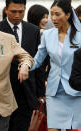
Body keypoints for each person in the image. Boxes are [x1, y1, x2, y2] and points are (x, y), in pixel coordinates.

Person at [30, 0, 81, 130]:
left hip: (77, 92)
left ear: (68, 15)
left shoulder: (80, 36)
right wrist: (25, 65)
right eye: (51, 14)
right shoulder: (47, 35)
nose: (53, 18)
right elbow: (38, 59)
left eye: (57, 14)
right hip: (54, 92)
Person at [0, 0, 46, 131]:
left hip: (28, 90)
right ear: (6, 9)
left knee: (24, 127)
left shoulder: (33, 30)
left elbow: (39, 62)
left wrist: (40, 92)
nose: (17, 15)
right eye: (13, 11)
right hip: (4, 90)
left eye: (21, 12)